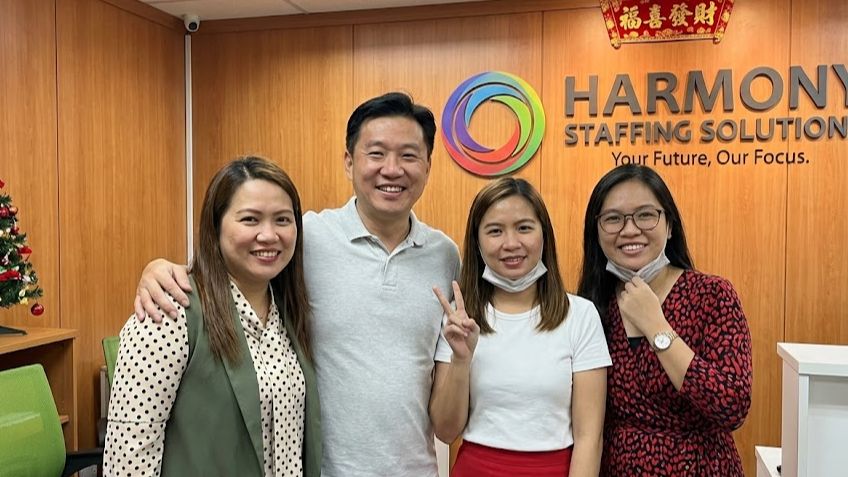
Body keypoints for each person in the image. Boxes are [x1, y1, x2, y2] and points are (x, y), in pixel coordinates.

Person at [133, 93, 461, 477]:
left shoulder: (445, 256)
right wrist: (158, 269)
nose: (392, 169)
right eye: (376, 153)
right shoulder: (307, 237)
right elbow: (232, 264)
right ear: (349, 161)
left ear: (428, 165)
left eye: (408, 155)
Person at [104, 156, 321, 476]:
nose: (268, 235)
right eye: (250, 219)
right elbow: (129, 457)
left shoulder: (289, 313)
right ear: (216, 226)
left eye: (282, 220)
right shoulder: (169, 310)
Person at [576, 164, 752, 476]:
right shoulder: (590, 306)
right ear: (597, 231)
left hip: (700, 468)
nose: (630, 230)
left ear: (669, 225)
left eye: (645, 215)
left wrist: (656, 326)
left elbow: (732, 406)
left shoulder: (711, 295)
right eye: (613, 219)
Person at [429, 177, 611, 477]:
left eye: (524, 228)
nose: (511, 243)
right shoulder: (460, 320)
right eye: (495, 231)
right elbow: (446, 431)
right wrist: (460, 359)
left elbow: (589, 439)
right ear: (477, 242)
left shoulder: (580, 315)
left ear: (544, 235)